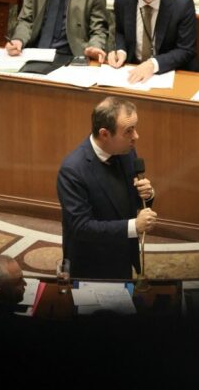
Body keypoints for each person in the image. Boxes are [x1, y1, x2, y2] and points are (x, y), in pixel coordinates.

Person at [57, 97, 157, 279]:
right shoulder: (73, 170)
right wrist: (134, 225)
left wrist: (147, 194)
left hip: (122, 254)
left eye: (134, 128)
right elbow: (81, 227)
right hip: (92, 263)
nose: (136, 137)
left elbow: (127, 199)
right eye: (128, 131)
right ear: (104, 134)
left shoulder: (126, 151)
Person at [107, 0, 197, 84]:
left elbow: (186, 50)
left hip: (168, 75)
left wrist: (153, 64)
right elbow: (120, 32)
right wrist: (121, 51)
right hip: (132, 72)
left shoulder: (182, 5)